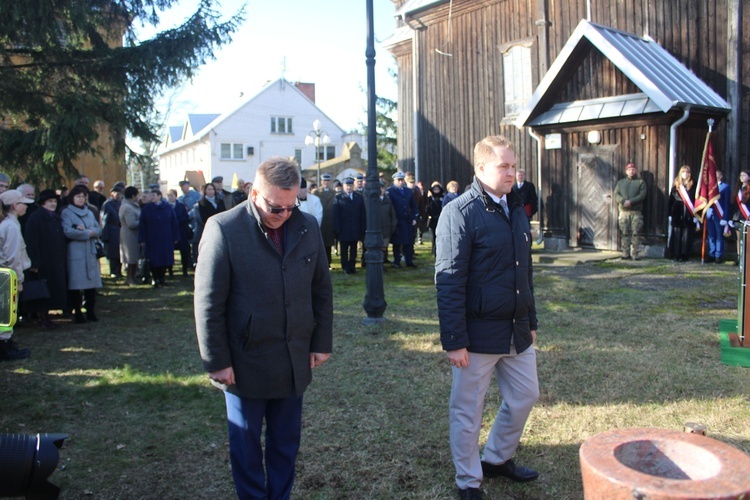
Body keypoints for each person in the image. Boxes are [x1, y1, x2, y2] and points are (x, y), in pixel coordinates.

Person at [194, 157, 333, 500]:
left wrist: (321, 342)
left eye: (291, 206)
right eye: (275, 207)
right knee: (246, 445)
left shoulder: (307, 226)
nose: (283, 214)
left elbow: (321, 290)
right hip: (244, 361)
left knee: (286, 443)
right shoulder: (223, 228)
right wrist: (216, 361)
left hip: (292, 357)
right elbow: (208, 303)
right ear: (254, 192)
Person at [435, 135, 539, 499]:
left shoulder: (516, 205)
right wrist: (454, 340)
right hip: (476, 335)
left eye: (513, 166)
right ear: (481, 168)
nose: (512, 172)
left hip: (516, 328)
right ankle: (468, 481)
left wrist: (532, 320)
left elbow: (523, 270)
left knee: (526, 395)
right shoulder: (459, 212)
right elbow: (448, 281)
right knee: (468, 412)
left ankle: (496, 459)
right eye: (504, 166)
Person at [24, 189, 67, 329]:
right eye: (50, 201)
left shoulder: (55, 217)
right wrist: (35, 262)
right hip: (43, 260)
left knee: (53, 288)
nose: (53, 204)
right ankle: (42, 317)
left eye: (55, 201)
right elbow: (31, 241)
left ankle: (48, 316)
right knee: (43, 289)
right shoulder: (35, 218)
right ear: (43, 203)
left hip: (55, 259)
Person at [0, 189, 34, 360]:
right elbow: (12, 257)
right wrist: (18, 280)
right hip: (7, 276)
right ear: (14, 205)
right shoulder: (11, 226)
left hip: (5, 275)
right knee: (6, 312)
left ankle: (7, 344)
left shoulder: (10, 223)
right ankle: (5, 349)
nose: (26, 207)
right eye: (23, 204)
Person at [61, 185, 103, 323]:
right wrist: (87, 233)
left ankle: (91, 310)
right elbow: (68, 231)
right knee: (76, 285)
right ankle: (77, 312)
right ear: (72, 198)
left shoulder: (89, 212)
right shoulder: (67, 213)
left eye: (83, 196)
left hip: (90, 252)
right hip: (76, 252)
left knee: (91, 285)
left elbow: (98, 229)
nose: (81, 199)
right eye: (78, 196)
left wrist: (87, 231)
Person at [139, 189, 178, 287]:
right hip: (152, 239)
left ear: (159, 196)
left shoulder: (167, 208)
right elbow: (142, 225)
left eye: (154, 195)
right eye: (151, 196)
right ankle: (155, 278)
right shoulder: (146, 209)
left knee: (164, 259)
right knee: (153, 259)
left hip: (165, 238)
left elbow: (174, 223)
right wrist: (142, 239)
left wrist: (176, 236)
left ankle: (162, 278)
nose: (152, 198)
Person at [613, 162, 647, 260]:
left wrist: (631, 202)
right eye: (629, 170)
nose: (631, 171)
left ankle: (635, 254)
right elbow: (616, 194)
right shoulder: (621, 183)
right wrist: (623, 201)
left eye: (633, 169)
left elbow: (642, 195)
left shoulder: (640, 182)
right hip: (624, 212)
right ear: (626, 171)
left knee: (636, 233)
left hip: (636, 212)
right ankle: (625, 253)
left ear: (635, 170)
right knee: (624, 233)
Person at [333, 177, 366, 274]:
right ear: (343, 186)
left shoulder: (358, 197)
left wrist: (362, 227)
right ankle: (345, 267)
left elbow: (362, 214)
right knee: (344, 250)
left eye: (351, 185)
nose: (349, 187)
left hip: (355, 228)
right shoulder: (338, 198)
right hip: (343, 229)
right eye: (347, 186)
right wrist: (337, 228)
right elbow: (336, 215)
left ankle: (352, 266)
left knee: (354, 249)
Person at [387, 171, 419, 268]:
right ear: (394, 181)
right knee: (397, 243)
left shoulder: (408, 191)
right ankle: (397, 261)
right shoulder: (390, 191)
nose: (400, 182)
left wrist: (414, 217)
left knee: (408, 242)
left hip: (407, 220)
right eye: (398, 180)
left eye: (402, 180)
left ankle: (409, 261)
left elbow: (414, 206)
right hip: (397, 221)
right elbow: (390, 207)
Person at [668, 165, 697, 261]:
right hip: (677, 212)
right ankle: (676, 253)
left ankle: (685, 254)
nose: (685, 174)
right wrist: (669, 214)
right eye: (683, 172)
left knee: (686, 235)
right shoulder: (676, 186)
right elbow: (670, 200)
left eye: (687, 172)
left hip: (688, 213)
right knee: (677, 234)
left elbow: (695, 200)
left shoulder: (693, 185)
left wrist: (696, 214)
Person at [706, 170, 731, 264]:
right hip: (710, 214)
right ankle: (711, 254)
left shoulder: (725, 187)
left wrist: (725, 218)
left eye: (717, 174)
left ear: (721, 176)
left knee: (719, 236)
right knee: (711, 236)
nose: (715, 176)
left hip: (719, 214)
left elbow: (726, 203)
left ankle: (718, 255)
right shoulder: (709, 187)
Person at [167, 189, 193, 277]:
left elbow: (186, 217)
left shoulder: (181, 206)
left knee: (184, 252)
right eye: (169, 196)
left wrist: (177, 221)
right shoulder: (166, 207)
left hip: (181, 231)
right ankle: (170, 271)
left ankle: (184, 270)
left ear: (176, 196)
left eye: (172, 196)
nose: (170, 198)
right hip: (170, 232)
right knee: (170, 252)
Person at [119, 186, 141, 286]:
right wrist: (143, 222)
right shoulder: (127, 207)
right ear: (132, 196)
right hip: (130, 235)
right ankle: (129, 278)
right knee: (131, 258)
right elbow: (131, 223)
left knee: (134, 258)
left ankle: (133, 277)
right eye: (136, 195)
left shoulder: (132, 205)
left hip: (133, 235)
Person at [100, 186, 124, 277]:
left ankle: (119, 270)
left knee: (120, 252)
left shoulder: (121, 203)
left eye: (120, 194)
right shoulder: (108, 204)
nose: (119, 196)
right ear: (112, 194)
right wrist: (105, 235)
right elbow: (104, 220)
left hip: (120, 230)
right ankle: (114, 271)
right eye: (117, 194)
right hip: (112, 230)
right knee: (113, 252)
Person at [316, 173, 337, 266]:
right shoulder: (316, 192)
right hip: (321, 221)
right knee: (320, 244)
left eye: (328, 180)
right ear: (321, 181)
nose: (326, 182)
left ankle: (329, 262)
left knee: (329, 243)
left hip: (330, 221)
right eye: (324, 180)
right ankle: (321, 264)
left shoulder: (333, 192)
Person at [375, 181, 398, 266]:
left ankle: (384, 261)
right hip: (376, 229)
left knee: (384, 247)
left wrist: (392, 226)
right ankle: (379, 264)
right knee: (378, 247)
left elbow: (392, 214)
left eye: (382, 188)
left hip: (386, 228)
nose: (381, 190)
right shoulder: (372, 201)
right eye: (379, 189)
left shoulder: (387, 200)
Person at [427, 181, 445, 256]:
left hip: (441, 218)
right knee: (434, 235)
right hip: (433, 219)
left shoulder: (443, 197)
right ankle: (434, 250)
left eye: (438, 189)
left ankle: (440, 250)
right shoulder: (430, 198)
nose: (436, 191)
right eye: (435, 189)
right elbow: (427, 208)